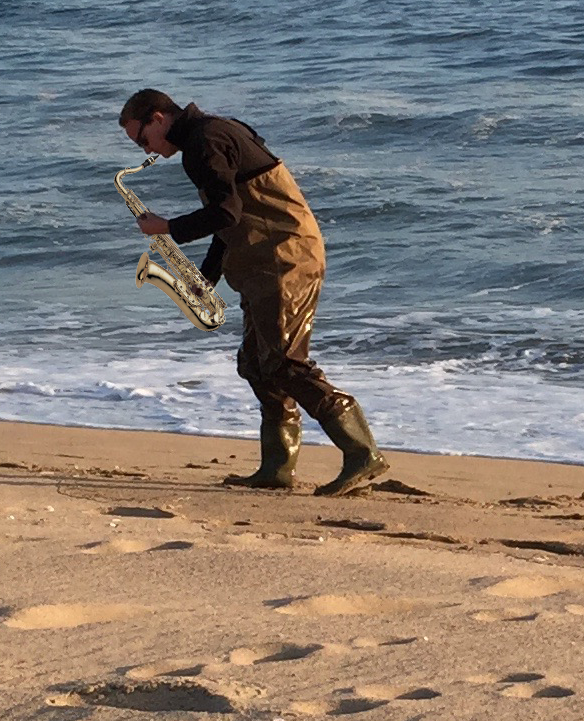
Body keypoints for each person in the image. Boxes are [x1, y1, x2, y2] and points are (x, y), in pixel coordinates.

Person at [116, 88, 387, 498]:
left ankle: (361, 451)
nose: (145, 149)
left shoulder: (205, 142)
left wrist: (168, 227)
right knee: (256, 363)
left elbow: (226, 213)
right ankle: (277, 467)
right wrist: (205, 278)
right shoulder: (206, 137)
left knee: (283, 362)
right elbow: (233, 217)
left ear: (158, 118)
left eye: (142, 139)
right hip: (263, 259)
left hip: (285, 256)